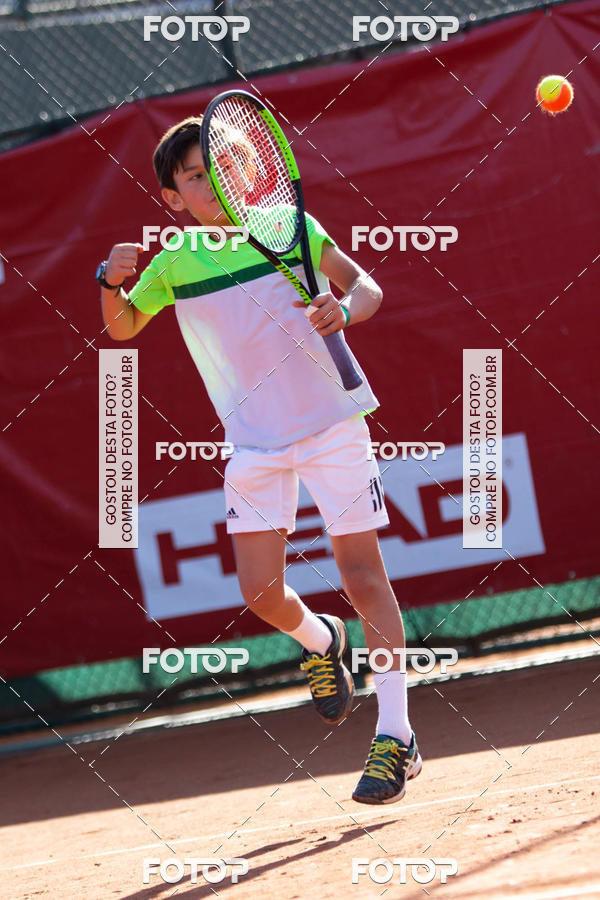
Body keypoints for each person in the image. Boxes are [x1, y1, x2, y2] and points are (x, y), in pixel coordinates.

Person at [97, 114, 422, 804]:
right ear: (173, 199)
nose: (213, 183)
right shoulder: (176, 260)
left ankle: (396, 734)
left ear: (249, 170)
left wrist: (346, 310)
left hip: (333, 423)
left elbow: (365, 286)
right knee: (260, 593)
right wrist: (108, 279)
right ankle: (322, 639)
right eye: (195, 177)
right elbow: (121, 325)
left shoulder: (292, 228)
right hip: (253, 445)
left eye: (223, 167)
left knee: (362, 574)